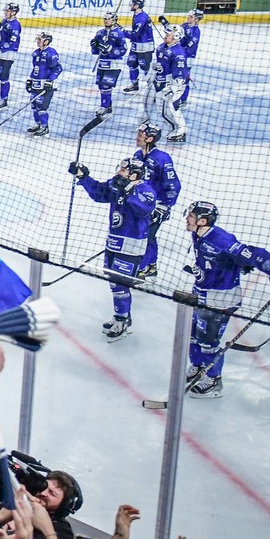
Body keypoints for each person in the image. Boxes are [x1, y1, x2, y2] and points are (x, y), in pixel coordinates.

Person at [182, 201, 270, 399]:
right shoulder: (198, 234)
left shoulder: (220, 240)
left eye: (191, 216)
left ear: (203, 220)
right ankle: (199, 366)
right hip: (201, 293)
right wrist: (232, 266)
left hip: (220, 299)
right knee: (194, 336)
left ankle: (213, 381)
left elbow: (257, 255)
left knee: (209, 342)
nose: (187, 218)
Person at [68, 155, 157, 341]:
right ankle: (122, 317)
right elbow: (100, 193)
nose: (119, 172)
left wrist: (127, 191)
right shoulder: (118, 183)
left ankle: (122, 320)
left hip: (131, 247)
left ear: (134, 175)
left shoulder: (146, 191)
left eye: (124, 170)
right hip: (113, 242)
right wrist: (84, 177)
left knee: (119, 285)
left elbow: (143, 209)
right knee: (113, 282)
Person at [131, 122, 181, 278]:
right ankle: (151, 265)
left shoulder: (162, 158)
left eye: (140, 135)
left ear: (150, 138)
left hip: (155, 207)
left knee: (145, 237)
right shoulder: (137, 156)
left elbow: (173, 185)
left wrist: (165, 206)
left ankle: (141, 269)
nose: (137, 138)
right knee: (145, 236)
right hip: (139, 204)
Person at [144, 27, 189, 143]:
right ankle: (174, 128)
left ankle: (181, 131)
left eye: (169, 34)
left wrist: (174, 88)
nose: (166, 35)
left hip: (173, 85)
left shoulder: (179, 53)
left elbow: (180, 74)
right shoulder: (161, 47)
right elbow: (160, 64)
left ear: (176, 36)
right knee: (162, 110)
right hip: (161, 82)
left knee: (172, 107)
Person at [25, 31, 62, 138]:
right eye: (37, 39)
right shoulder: (36, 53)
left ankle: (44, 127)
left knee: (41, 107)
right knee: (34, 105)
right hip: (36, 84)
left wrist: (50, 81)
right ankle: (38, 124)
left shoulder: (52, 53)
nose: (37, 42)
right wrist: (30, 79)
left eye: (40, 40)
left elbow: (58, 68)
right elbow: (36, 69)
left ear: (46, 42)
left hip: (46, 85)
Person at [91, 11, 128, 113]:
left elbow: (123, 50)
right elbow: (95, 51)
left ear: (114, 20)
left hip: (114, 64)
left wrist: (111, 50)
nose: (106, 20)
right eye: (105, 18)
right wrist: (94, 45)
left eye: (109, 19)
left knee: (106, 85)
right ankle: (108, 104)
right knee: (100, 85)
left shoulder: (119, 34)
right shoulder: (100, 33)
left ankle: (105, 106)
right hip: (102, 63)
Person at [171, 9, 203, 109]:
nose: (188, 17)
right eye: (188, 15)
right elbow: (175, 33)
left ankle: (183, 99)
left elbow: (190, 47)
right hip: (179, 55)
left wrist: (179, 51)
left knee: (184, 79)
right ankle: (173, 96)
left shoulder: (196, 31)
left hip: (188, 58)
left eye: (191, 17)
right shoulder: (184, 25)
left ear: (196, 20)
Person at [122, 0, 154, 92]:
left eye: (133, 4)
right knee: (132, 64)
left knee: (145, 67)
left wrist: (122, 32)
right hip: (136, 46)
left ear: (137, 5)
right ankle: (134, 84)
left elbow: (135, 35)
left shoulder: (141, 18)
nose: (131, 5)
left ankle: (151, 87)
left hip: (144, 47)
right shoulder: (137, 14)